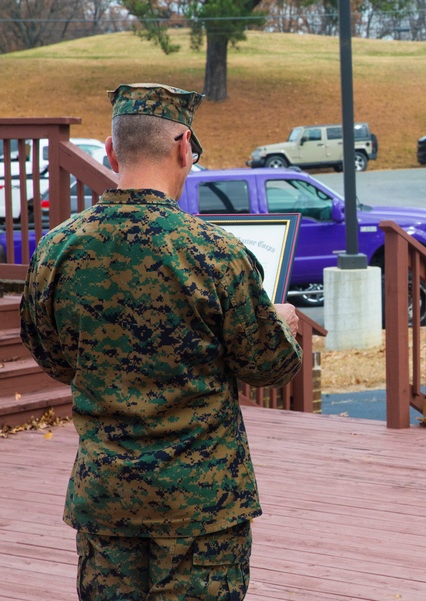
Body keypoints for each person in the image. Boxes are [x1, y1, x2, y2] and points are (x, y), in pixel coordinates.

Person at [20, 83, 303, 600]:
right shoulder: (214, 253)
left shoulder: (57, 249)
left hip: (105, 497)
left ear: (110, 151)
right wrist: (283, 321)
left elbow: (53, 357)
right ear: (183, 146)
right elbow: (269, 366)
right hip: (201, 504)